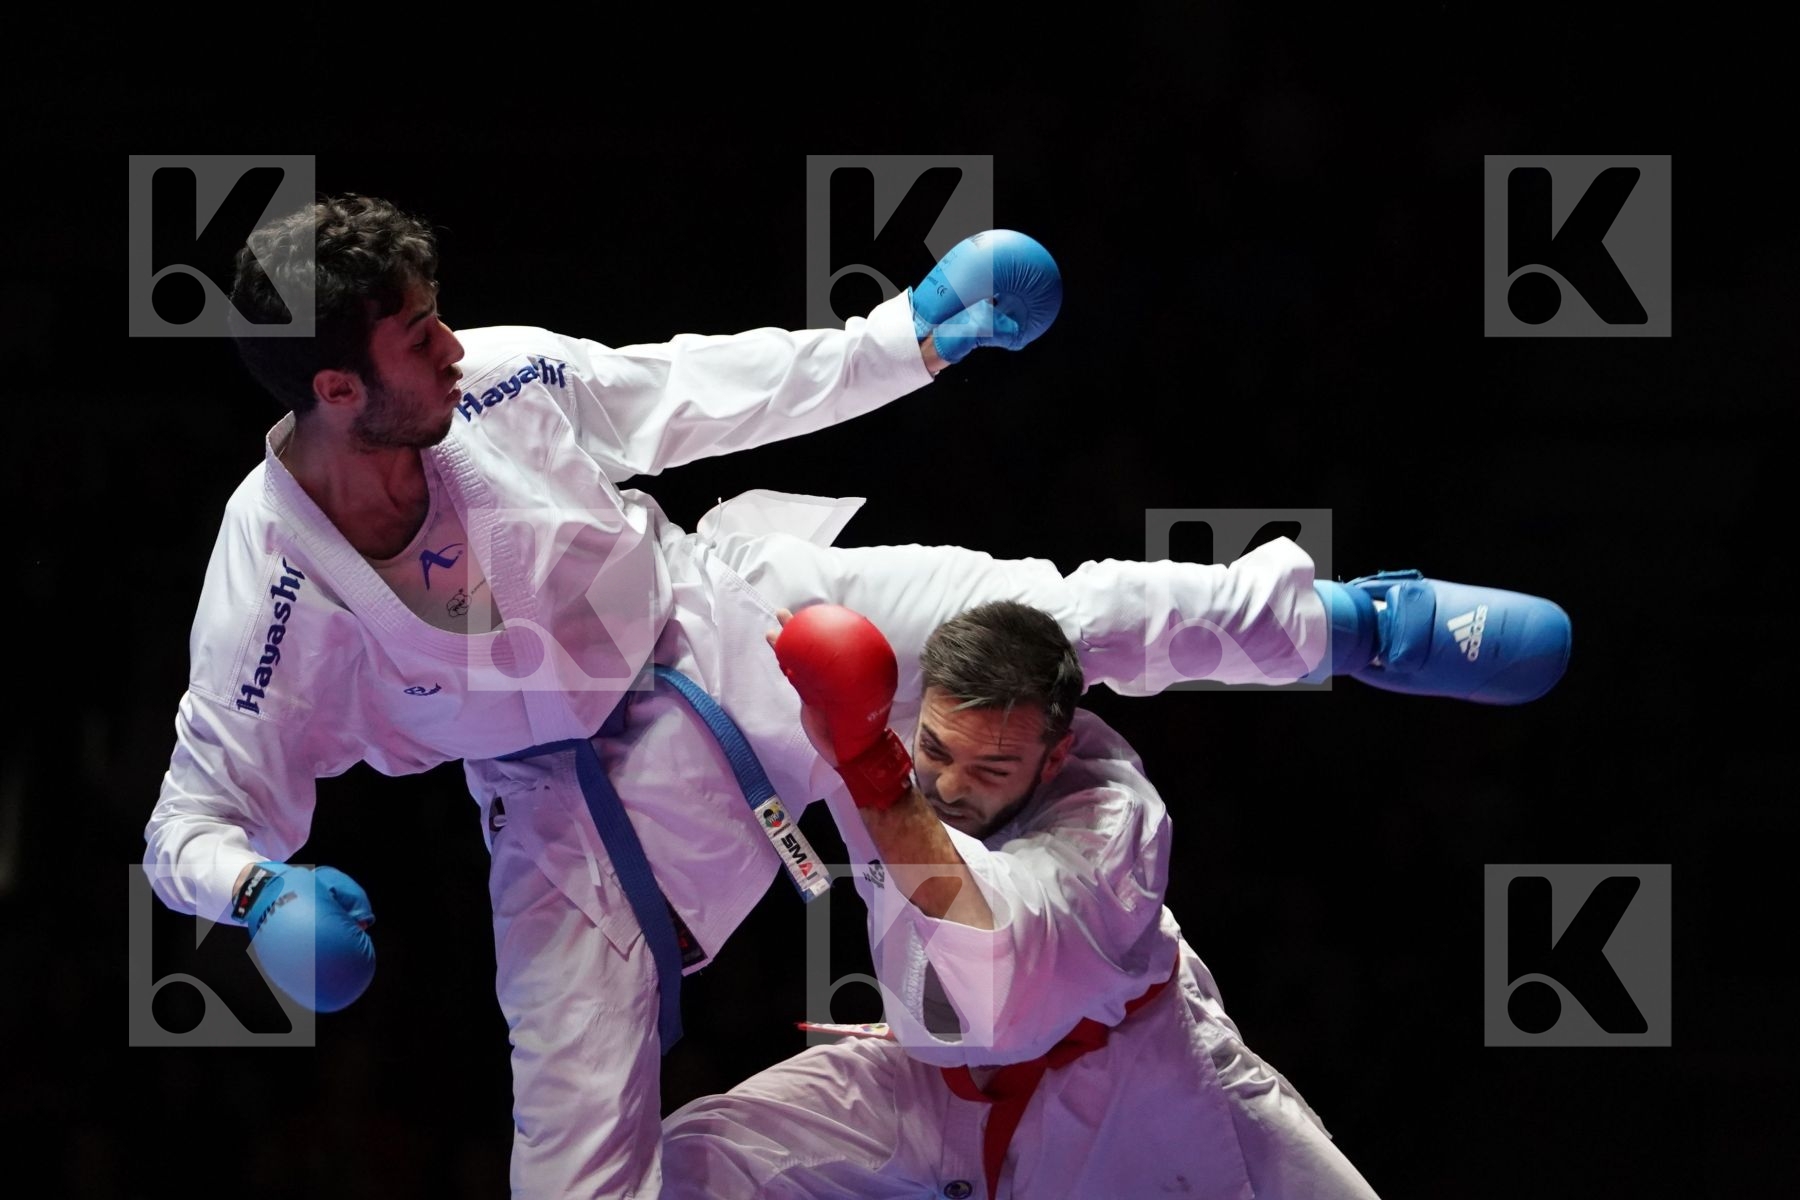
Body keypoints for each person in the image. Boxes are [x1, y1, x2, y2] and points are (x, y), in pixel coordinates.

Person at [143, 193, 1565, 1198]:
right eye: (416, 339)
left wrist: (914, 338)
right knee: (569, 1172)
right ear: (336, 389)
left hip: (725, 614)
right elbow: (189, 818)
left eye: (442, 318)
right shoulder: (269, 586)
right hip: (572, 818)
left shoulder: (503, 385)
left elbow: (699, 392)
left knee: (1044, 608)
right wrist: (256, 896)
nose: (453, 346)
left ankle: (1355, 620)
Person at [662, 599, 1385, 1199]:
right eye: (936, 752)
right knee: (696, 1163)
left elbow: (999, 977)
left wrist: (869, 768)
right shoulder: (884, 715)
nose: (947, 786)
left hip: (1129, 1092)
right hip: (933, 1078)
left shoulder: (1111, 828)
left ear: (1056, 755)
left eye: (992, 768)